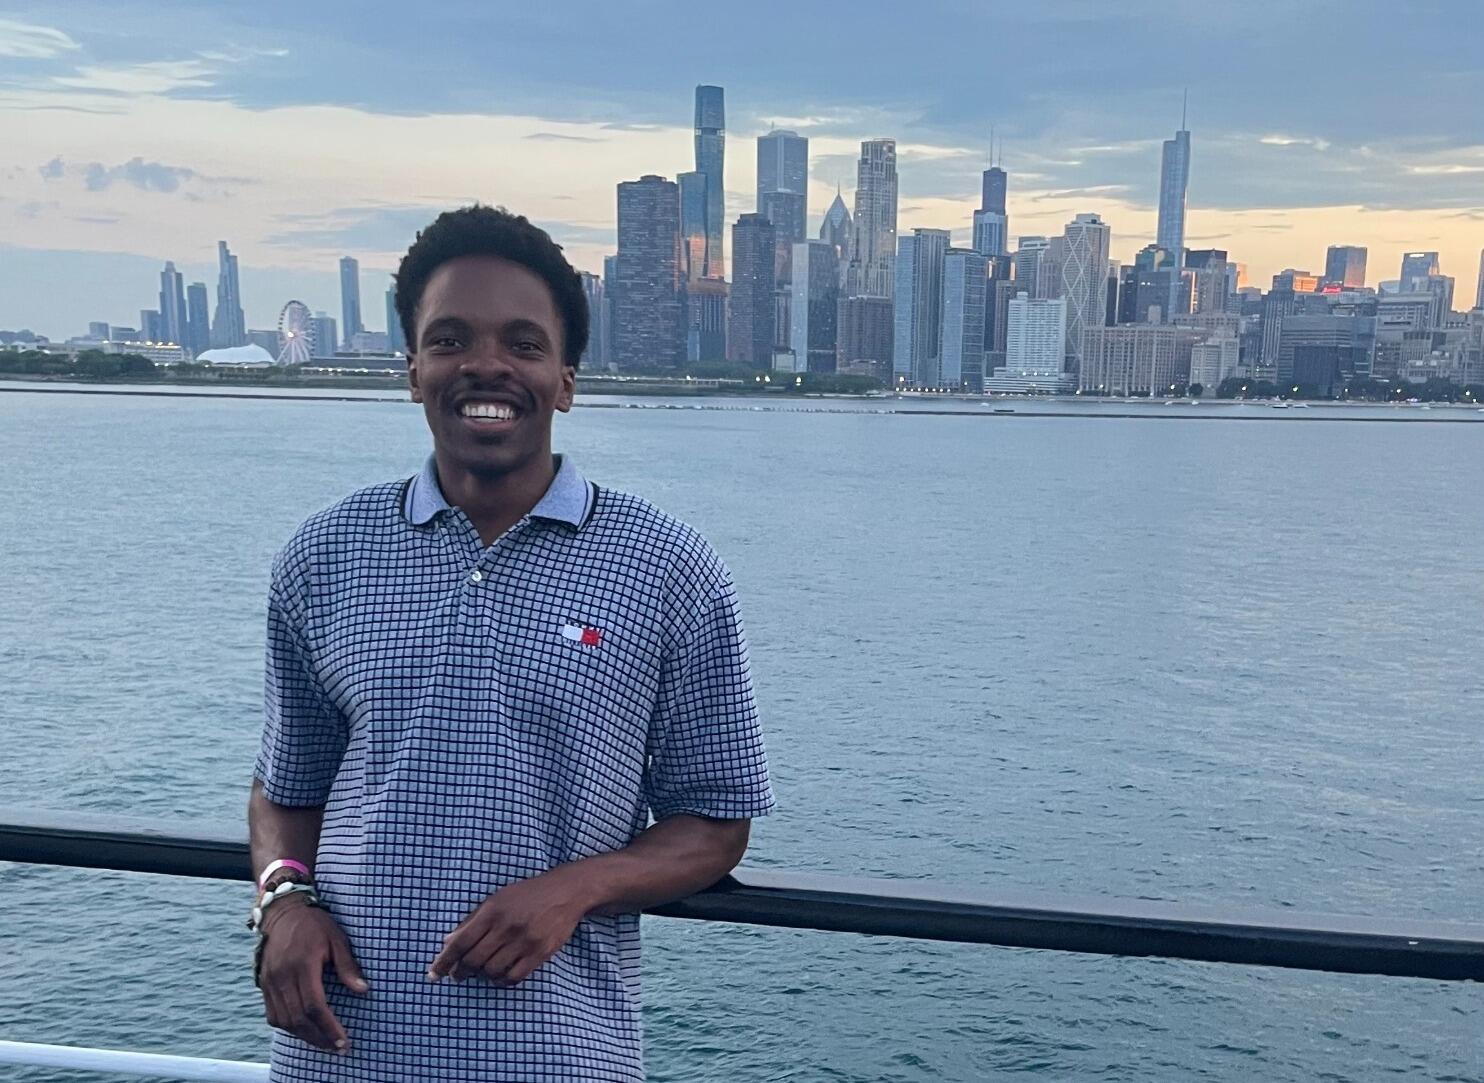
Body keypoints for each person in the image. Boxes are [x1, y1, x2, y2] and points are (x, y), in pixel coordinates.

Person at [247, 204, 774, 1082]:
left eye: (523, 344)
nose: (486, 365)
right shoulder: (323, 554)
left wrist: (574, 888)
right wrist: (283, 895)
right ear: (411, 369)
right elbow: (285, 784)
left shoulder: (667, 566)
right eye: (450, 339)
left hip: (562, 1057)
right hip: (339, 1053)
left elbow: (716, 821)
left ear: (566, 378)